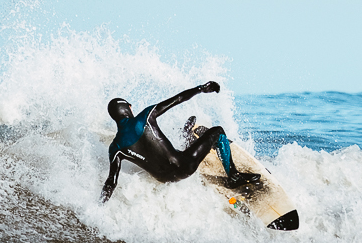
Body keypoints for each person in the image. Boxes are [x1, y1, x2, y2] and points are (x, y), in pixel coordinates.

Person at [100, 81, 260, 203]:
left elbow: (111, 182)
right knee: (217, 132)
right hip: (185, 167)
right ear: (127, 108)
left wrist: (99, 206)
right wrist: (201, 88)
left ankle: (187, 135)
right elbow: (178, 99)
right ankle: (233, 175)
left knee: (175, 152)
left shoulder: (115, 148)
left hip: (164, 179)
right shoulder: (145, 117)